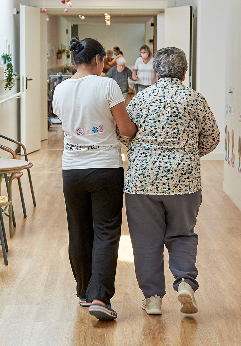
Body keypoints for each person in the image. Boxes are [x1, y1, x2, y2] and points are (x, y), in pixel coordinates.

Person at [121, 47, 219, 316]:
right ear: (185, 72)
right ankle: (185, 282)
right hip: (184, 181)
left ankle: (152, 298)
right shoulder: (195, 99)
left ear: (154, 72)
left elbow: (124, 135)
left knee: (145, 240)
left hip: (142, 181)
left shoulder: (141, 99)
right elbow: (212, 139)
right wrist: (186, 154)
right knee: (182, 234)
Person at [52, 36, 137, 321]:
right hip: (104, 168)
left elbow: (67, 123)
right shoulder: (107, 85)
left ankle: (83, 292)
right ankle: (100, 296)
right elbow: (126, 130)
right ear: (98, 60)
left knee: (78, 230)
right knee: (105, 231)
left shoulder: (60, 89)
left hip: (72, 169)